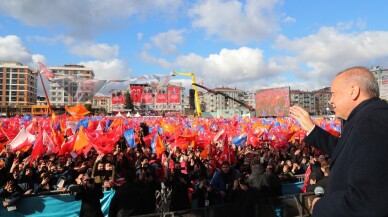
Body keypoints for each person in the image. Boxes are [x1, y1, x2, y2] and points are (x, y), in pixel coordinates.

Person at [290, 66, 388, 216]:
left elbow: (365, 202)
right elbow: (348, 150)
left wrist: (320, 206)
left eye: (333, 94)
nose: (330, 100)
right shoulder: (366, 118)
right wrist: (312, 129)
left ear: (353, 91)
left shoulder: (372, 124)